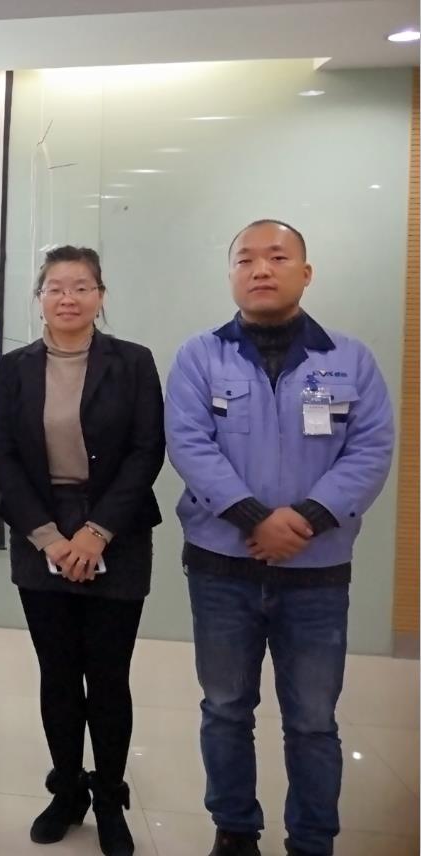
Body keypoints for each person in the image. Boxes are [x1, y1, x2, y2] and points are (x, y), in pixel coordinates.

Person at [164, 220, 394, 856]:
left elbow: (371, 449)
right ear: (231, 275)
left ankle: (312, 840)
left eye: (277, 257)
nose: (260, 269)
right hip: (221, 569)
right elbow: (189, 444)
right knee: (225, 707)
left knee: (313, 720)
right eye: (245, 259)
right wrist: (253, 518)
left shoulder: (350, 359)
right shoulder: (199, 356)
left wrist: (310, 519)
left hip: (317, 572)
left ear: (306, 272)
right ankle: (235, 829)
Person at [0, 246, 165, 856]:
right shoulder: (14, 368)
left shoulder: (133, 362)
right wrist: (48, 537)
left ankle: (110, 796)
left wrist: (97, 531)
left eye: (81, 286)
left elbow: (147, 450)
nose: (68, 298)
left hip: (117, 528)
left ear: (100, 296)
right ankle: (66, 790)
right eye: (56, 287)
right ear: (39, 298)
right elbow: (4, 455)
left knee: (108, 676)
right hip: (41, 528)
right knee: (58, 674)